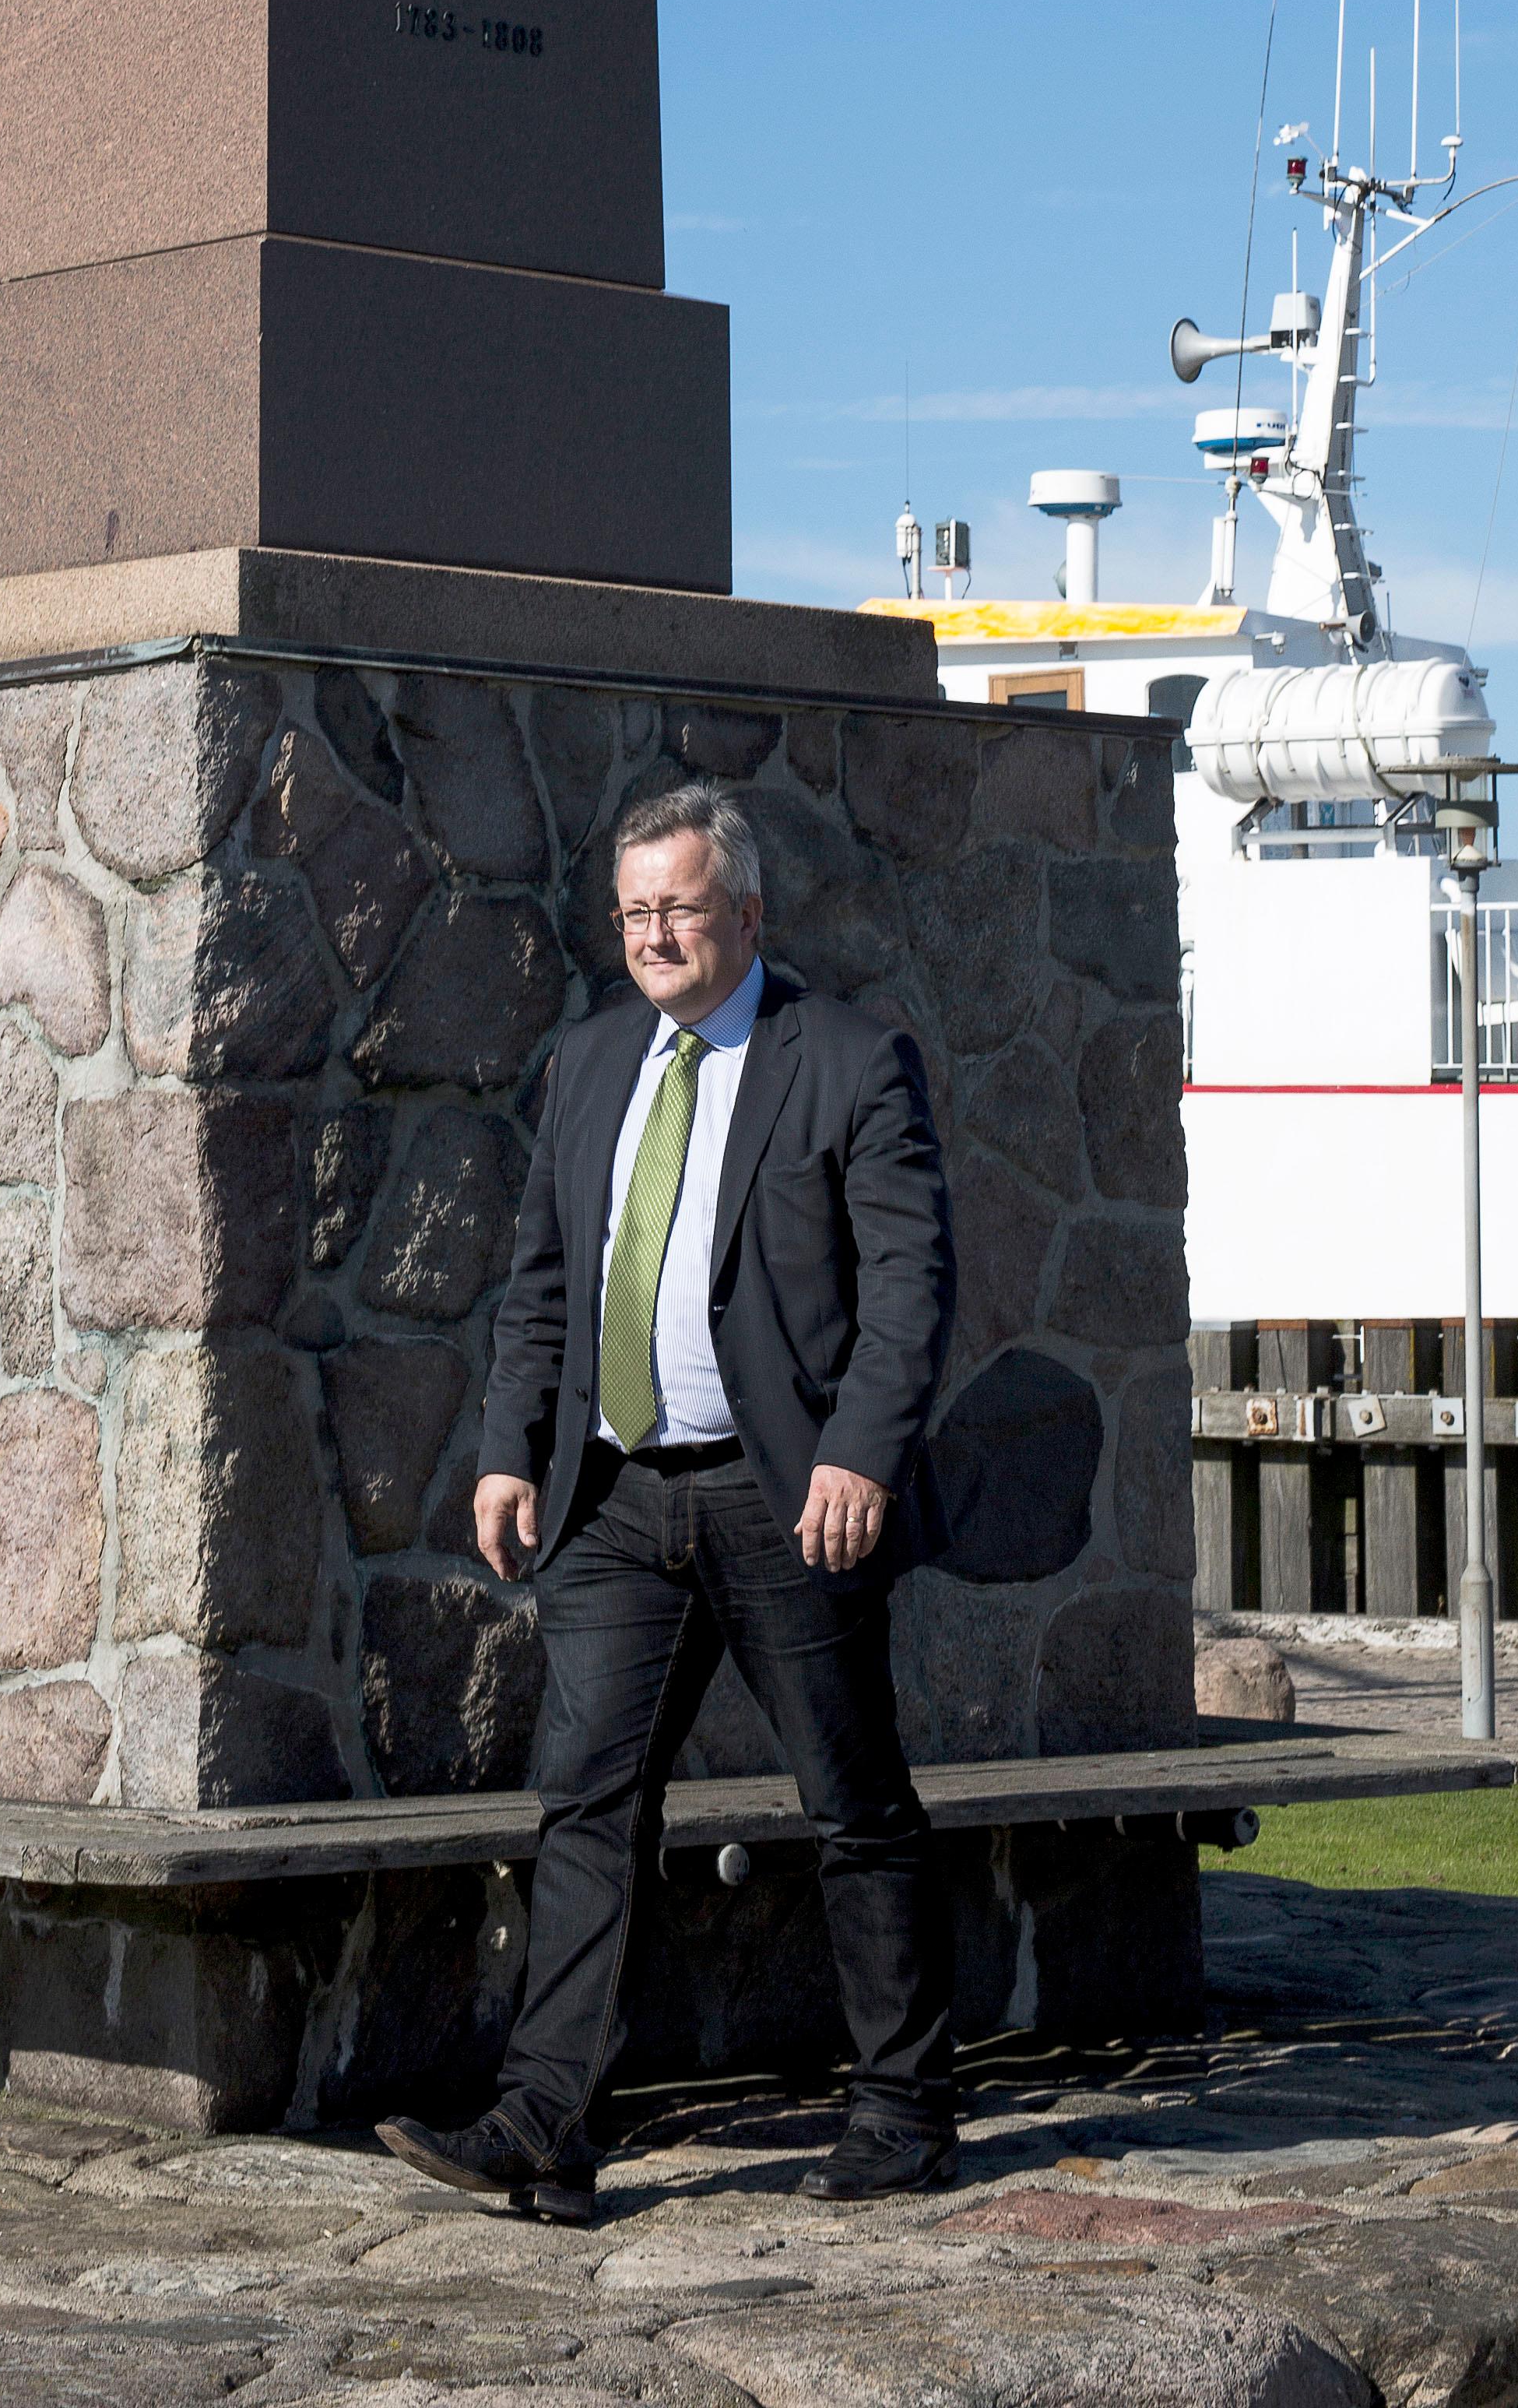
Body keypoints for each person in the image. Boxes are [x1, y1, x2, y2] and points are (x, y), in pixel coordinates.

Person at [378, 781, 961, 2226]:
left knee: (853, 1805)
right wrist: (514, 1446)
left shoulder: (845, 1057)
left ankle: (903, 2108)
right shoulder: (587, 1066)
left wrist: (862, 1452)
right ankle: (548, 2127)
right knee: (586, 1806)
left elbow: (908, 1283)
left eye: (680, 908)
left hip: (789, 1502)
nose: (652, 933)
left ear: (746, 915)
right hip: (619, 1503)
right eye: (633, 911)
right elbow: (544, 1286)